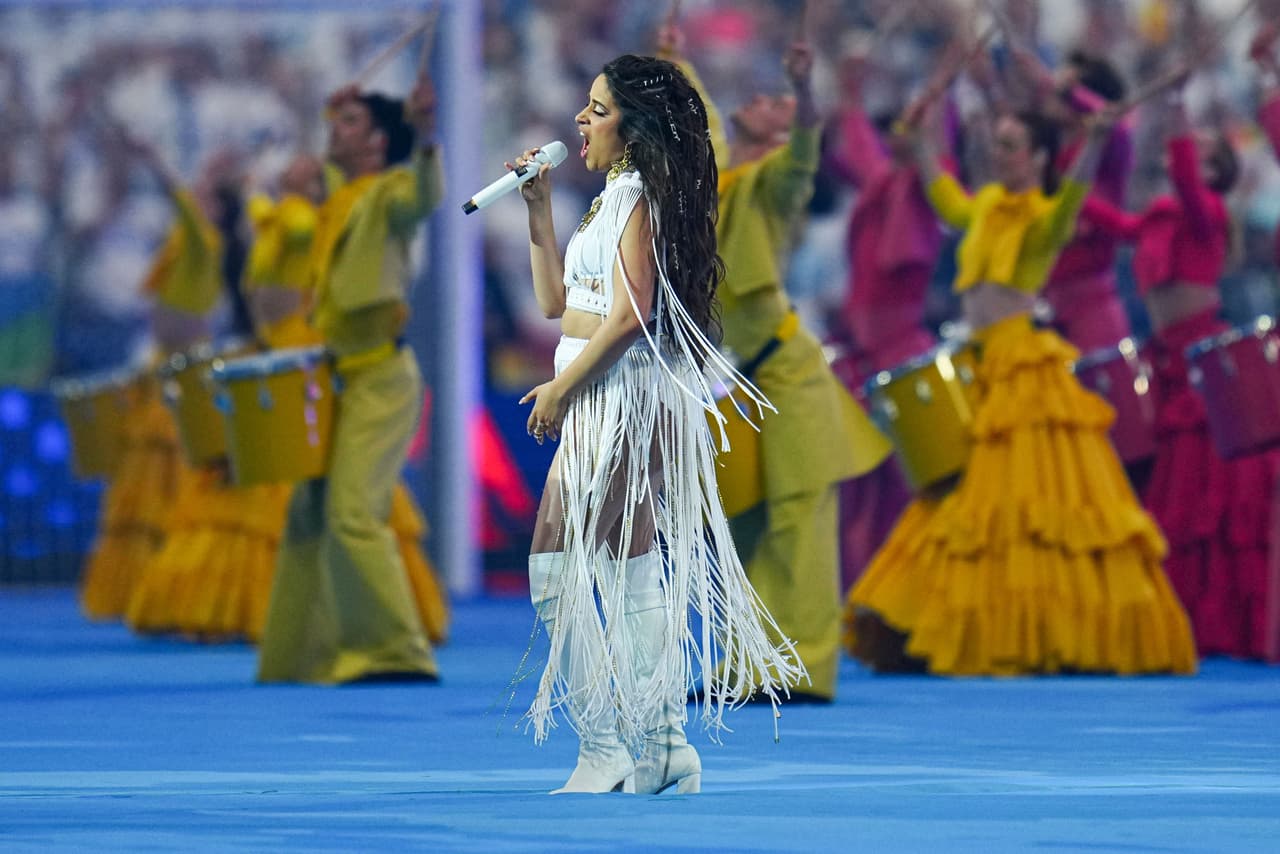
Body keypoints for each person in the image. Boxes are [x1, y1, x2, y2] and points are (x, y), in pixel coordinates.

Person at [514, 53, 806, 795]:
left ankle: (620, 745)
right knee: (615, 565)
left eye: (598, 109)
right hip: (598, 388)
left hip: (624, 392)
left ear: (637, 129)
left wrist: (559, 388)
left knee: (572, 567)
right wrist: (538, 213)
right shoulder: (608, 195)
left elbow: (635, 312)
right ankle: (657, 745)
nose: (581, 119)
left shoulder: (641, 193)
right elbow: (558, 304)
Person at [844, 89, 1197, 676]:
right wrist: (925, 138)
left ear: (1038, 157)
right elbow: (942, 195)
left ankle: (1034, 633)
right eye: (998, 144)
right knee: (965, 501)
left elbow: (1072, 200)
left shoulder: (1044, 215)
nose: (1000, 154)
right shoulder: (982, 206)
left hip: (1022, 364)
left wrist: (1096, 143)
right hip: (977, 362)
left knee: (1019, 504)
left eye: (1011, 146)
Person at [666, 30, 891, 702]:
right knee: (745, 524)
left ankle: (802, 669)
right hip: (738, 373)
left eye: (774, 101)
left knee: (799, 525)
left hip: (785, 372)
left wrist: (804, 91)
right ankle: (748, 664)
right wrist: (677, 63)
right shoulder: (726, 178)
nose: (760, 99)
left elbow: (803, 154)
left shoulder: (776, 181)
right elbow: (697, 128)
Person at [1080, 69, 1278, 660]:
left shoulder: (1206, 211)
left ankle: (1206, 620)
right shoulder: (1159, 217)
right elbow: (1106, 220)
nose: (1185, 161)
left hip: (1200, 362)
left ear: (1214, 170)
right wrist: (1066, 176)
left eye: (1201, 155)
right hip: (1165, 362)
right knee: (1169, 491)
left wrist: (1176, 110)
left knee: (1196, 496)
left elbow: (1188, 178)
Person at [256, 75, 443, 683]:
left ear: (379, 143)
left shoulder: (390, 188)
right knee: (309, 513)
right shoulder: (341, 195)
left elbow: (422, 194)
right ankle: (302, 656)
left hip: (380, 375)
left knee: (354, 515)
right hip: (337, 376)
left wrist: (426, 134)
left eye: (352, 124)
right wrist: (340, 105)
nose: (335, 131)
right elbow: (329, 153)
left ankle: (395, 651)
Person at [79, 134, 223, 621]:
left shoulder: (205, 240)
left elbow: (183, 204)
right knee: (142, 485)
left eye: (206, 191)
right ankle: (139, 588)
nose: (196, 194)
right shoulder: (186, 242)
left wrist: (157, 162)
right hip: (161, 364)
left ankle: (172, 586)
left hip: (185, 372)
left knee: (173, 481)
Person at [825, 46, 951, 592]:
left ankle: (905, 594)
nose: (900, 126)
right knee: (864, 488)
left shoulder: (922, 190)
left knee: (901, 487)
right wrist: (851, 94)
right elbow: (857, 145)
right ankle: (865, 595)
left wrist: (940, 100)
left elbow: (934, 154)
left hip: (900, 355)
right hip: (865, 356)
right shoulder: (882, 184)